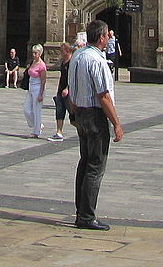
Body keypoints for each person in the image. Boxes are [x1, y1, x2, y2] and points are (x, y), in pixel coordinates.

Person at [67, 19, 124, 230]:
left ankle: (81, 212)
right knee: (95, 166)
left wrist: (75, 114)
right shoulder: (97, 61)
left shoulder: (77, 57)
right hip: (95, 117)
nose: (110, 38)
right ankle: (87, 216)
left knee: (85, 162)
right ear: (101, 38)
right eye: (108, 35)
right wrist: (116, 123)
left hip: (81, 113)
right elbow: (103, 96)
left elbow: (71, 91)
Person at [24, 45, 47, 138]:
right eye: (33, 53)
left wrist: (41, 94)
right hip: (30, 87)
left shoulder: (42, 65)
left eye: (35, 53)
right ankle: (37, 124)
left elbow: (43, 80)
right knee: (26, 110)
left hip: (38, 88)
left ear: (40, 53)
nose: (33, 55)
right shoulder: (32, 62)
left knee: (36, 110)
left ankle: (36, 131)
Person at [51, 42, 73, 140]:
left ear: (67, 51)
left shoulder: (72, 62)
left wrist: (67, 88)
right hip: (61, 90)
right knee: (59, 111)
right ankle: (59, 132)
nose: (60, 53)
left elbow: (73, 78)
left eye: (62, 51)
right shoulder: (63, 61)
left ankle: (83, 130)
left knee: (73, 115)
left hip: (69, 92)